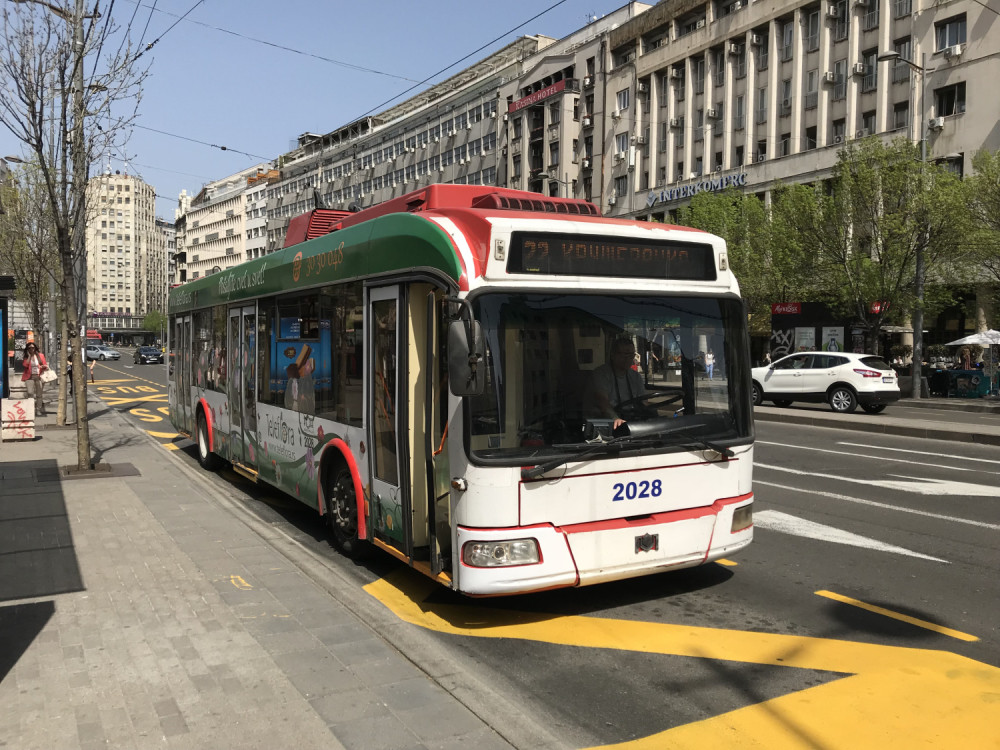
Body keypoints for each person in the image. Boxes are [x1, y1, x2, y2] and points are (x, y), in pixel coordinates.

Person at [590, 338, 648, 429]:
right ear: (613, 355)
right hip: (607, 423)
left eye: (631, 355)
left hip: (632, 422)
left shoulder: (636, 376)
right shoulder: (601, 374)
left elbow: (643, 402)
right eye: (625, 355)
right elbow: (602, 402)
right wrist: (615, 419)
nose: (628, 359)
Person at [21, 342, 49, 416]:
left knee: (39, 395)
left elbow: (45, 365)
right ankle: (30, 409)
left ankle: (38, 409)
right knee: (30, 393)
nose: (31, 349)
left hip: (39, 377)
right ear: (27, 349)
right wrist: (30, 356)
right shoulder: (26, 356)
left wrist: (42, 366)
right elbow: (25, 365)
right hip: (29, 377)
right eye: (29, 348)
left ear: (35, 348)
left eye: (33, 348)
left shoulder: (40, 355)